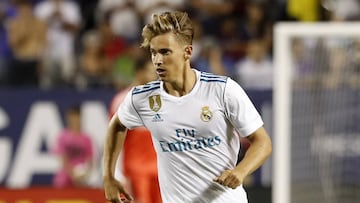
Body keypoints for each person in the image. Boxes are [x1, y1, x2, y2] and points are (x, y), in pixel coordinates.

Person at [103, 11, 272, 203]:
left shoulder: (222, 90)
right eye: (153, 52)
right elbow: (116, 125)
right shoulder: (141, 98)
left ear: (188, 52)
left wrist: (240, 171)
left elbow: (263, 142)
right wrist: (108, 176)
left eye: (165, 52)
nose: (158, 60)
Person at [108, 58, 161, 203]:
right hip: (135, 170)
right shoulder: (122, 100)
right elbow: (114, 140)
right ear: (139, 73)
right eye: (151, 72)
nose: (155, 76)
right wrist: (116, 172)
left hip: (159, 170)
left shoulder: (161, 98)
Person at [52, 104, 94, 188]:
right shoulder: (62, 137)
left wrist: (85, 174)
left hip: (81, 180)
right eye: (72, 117)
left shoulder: (87, 139)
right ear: (68, 118)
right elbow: (63, 159)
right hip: (64, 180)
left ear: (80, 118)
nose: (75, 120)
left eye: (77, 117)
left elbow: (90, 161)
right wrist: (73, 175)